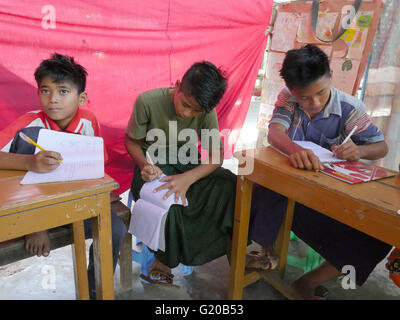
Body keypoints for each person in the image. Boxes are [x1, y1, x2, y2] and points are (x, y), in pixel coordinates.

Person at [249, 44, 391, 299]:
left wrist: (359, 152)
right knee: (259, 190)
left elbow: (381, 147)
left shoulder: (350, 109)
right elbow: (275, 132)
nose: (314, 103)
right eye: (304, 97)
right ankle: (266, 251)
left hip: (329, 196)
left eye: (321, 93)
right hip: (292, 191)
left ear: (330, 77)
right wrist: (294, 150)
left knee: (378, 238)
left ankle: (307, 282)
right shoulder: (287, 98)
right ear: (292, 91)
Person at [0, 53, 127, 299]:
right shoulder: (29, 124)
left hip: (75, 205)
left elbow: (95, 168)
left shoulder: (89, 122)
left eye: (63, 92)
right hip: (32, 210)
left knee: (115, 227)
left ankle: (94, 291)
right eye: (45, 91)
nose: (53, 100)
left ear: (81, 98)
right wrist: (36, 224)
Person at [124, 61, 236, 287]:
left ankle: (230, 244)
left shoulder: (206, 111)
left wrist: (188, 178)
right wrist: (144, 164)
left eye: (196, 111)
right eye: (185, 104)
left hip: (187, 165)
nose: (188, 113)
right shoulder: (147, 101)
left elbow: (216, 157)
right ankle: (163, 262)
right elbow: (131, 141)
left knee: (231, 184)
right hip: (153, 166)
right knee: (170, 201)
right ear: (177, 86)